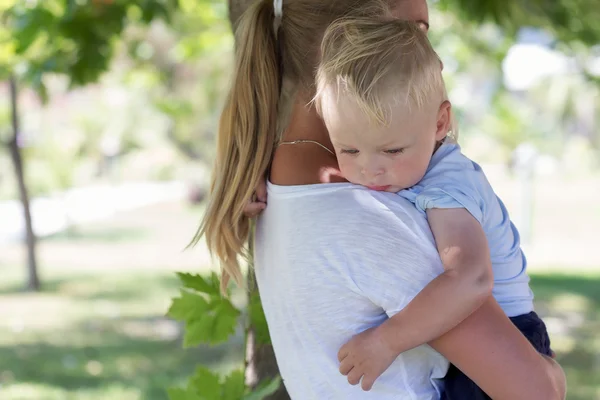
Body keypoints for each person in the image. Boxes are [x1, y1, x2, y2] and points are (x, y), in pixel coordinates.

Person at [191, 0, 566, 398]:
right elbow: (537, 390)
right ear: (347, 47)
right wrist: (554, 377)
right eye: (416, 33)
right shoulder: (367, 217)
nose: (434, 61)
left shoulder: (282, 185)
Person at [312, 17, 553, 397]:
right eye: (348, 150)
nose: (369, 168)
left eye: (392, 150)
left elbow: (471, 278)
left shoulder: (447, 186)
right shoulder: (401, 169)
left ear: (440, 123)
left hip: (505, 339)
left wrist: (385, 342)